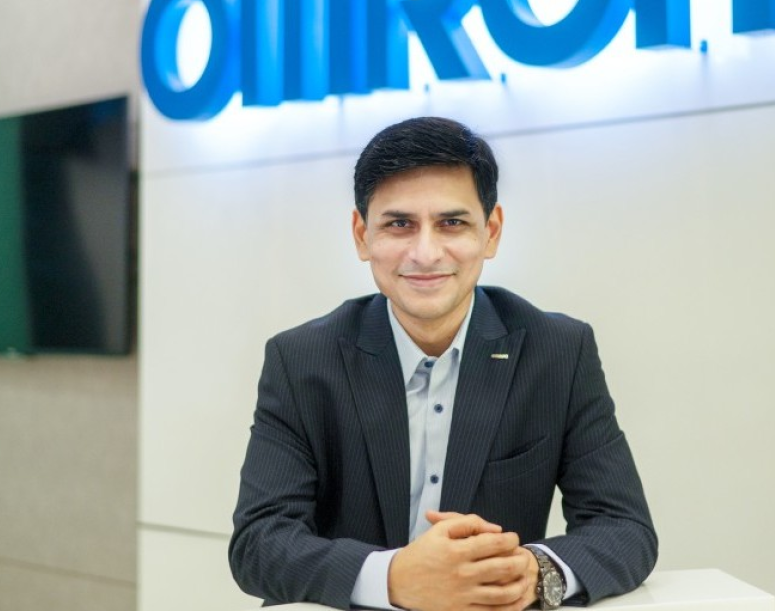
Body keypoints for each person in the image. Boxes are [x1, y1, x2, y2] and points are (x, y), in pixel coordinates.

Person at [230, 117, 657, 610]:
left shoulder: (558, 351)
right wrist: (393, 577)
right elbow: (258, 544)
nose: (426, 253)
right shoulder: (301, 360)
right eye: (399, 224)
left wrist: (534, 572)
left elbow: (624, 528)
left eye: (452, 223)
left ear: (491, 232)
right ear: (362, 235)